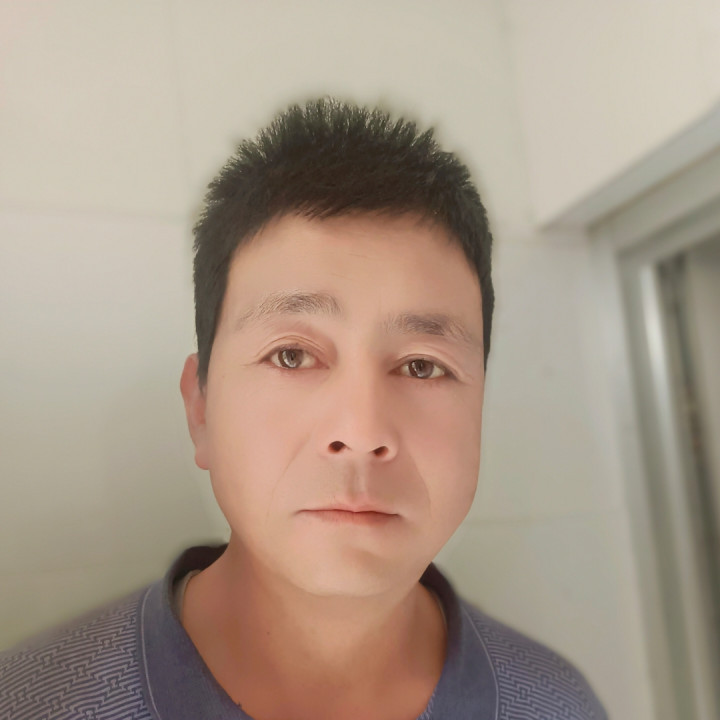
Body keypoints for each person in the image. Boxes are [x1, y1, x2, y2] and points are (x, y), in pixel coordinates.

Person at [0, 98, 607, 720]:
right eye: (291, 356)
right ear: (200, 409)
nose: (362, 431)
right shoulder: (31, 704)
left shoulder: (560, 706)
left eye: (422, 366)